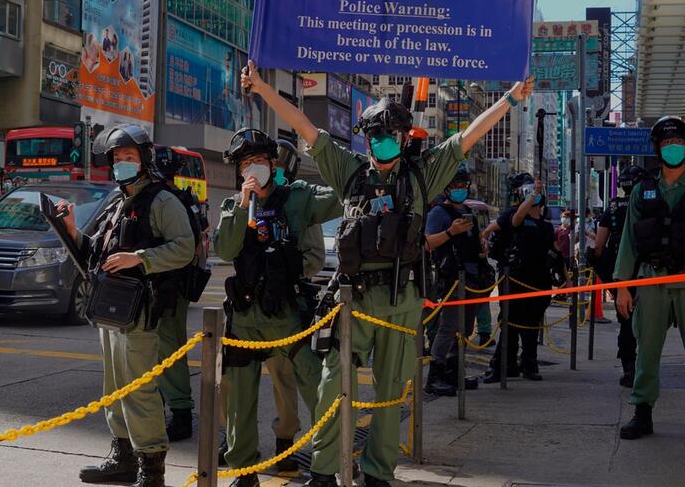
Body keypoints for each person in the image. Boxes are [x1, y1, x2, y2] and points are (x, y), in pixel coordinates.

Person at [242, 60, 533, 487]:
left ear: (401, 138)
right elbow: (305, 126)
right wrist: (264, 89)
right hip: (354, 300)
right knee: (332, 384)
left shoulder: (421, 175)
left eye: (390, 135)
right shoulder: (350, 172)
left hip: (403, 299)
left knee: (391, 390)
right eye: (375, 135)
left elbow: (466, 138)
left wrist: (509, 99)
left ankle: (378, 471)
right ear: (366, 140)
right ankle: (325, 471)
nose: (382, 142)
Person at [60, 124, 195, 487]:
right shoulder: (120, 202)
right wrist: (72, 230)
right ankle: (122, 457)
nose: (122, 163)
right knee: (113, 389)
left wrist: (140, 258)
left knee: (139, 390)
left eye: (129, 157)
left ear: (144, 159)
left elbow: (184, 247)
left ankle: (152, 469)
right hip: (111, 311)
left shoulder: (162, 200)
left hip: (141, 313)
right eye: (117, 158)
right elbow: (98, 253)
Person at [214, 129, 340, 486]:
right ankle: (243, 469)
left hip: (288, 315)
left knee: (318, 389)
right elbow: (225, 250)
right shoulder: (232, 206)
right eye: (245, 163)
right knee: (238, 399)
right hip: (244, 319)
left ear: (274, 164)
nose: (253, 169)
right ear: (239, 172)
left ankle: (330, 461)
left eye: (259, 161)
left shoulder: (298, 199)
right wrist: (243, 203)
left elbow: (340, 196)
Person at [613, 116, 685, 445]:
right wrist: (623, 285)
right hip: (651, 283)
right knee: (646, 350)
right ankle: (642, 412)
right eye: (666, 144)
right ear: (657, 149)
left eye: (678, 143)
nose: (672, 149)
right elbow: (628, 244)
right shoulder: (642, 191)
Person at [151, 146, 210, 442]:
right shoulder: (186, 198)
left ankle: (181, 413)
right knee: (166, 348)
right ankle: (172, 408)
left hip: (169, 286)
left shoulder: (166, 200)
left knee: (169, 349)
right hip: (174, 284)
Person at [424, 165, 494, 396]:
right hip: (452, 279)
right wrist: (450, 232)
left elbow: (473, 243)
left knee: (465, 328)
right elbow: (427, 243)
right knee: (448, 327)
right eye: (456, 186)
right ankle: (435, 376)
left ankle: (454, 372)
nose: (460, 190)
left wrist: (482, 248)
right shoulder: (438, 213)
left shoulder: (467, 211)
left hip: (473, 279)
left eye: (463, 186)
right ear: (446, 189)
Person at [481, 173, 557, 383]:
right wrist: (531, 197)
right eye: (530, 189)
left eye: (536, 190)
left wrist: (566, 278)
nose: (535, 194)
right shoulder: (515, 215)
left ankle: (529, 364)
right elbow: (507, 223)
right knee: (509, 324)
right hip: (514, 279)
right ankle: (503, 366)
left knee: (532, 325)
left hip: (539, 280)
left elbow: (554, 251)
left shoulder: (546, 225)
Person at [593, 165, 648, 388]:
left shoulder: (613, 208)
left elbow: (598, 246)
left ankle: (629, 369)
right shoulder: (649, 205)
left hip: (620, 274)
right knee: (648, 321)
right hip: (647, 271)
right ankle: (646, 368)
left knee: (625, 321)